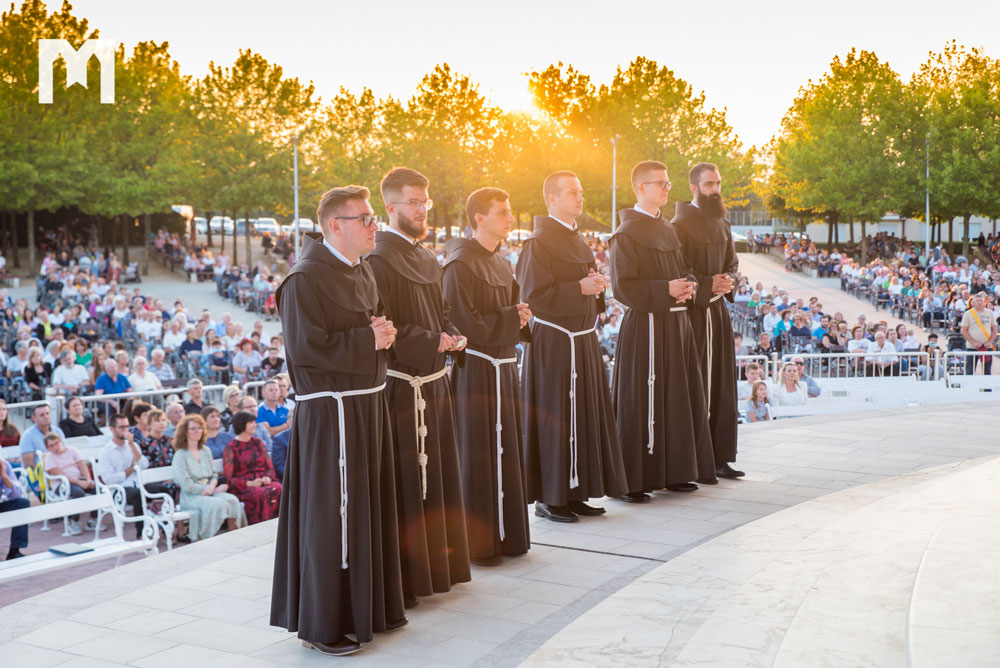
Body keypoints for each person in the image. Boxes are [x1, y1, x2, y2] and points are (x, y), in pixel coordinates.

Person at [270, 185, 407, 657]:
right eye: (366, 219)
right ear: (335, 225)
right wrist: (368, 340)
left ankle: (370, 607)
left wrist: (382, 336)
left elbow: (371, 329)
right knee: (334, 516)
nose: (376, 226)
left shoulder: (363, 271)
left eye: (373, 218)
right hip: (332, 415)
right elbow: (306, 349)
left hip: (366, 406)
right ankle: (324, 622)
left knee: (366, 509)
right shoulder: (303, 280)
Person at [368, 167, 471, 604]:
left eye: (425, 202)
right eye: (413, 203)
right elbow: (382, 324)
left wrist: (451, 335)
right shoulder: (376, 257)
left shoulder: (429, 257)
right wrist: (434, 341)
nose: (422, 209)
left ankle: (436, 571)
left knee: (439, 480)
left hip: (434, 383)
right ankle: (406, 582)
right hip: (400, 388)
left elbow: (442, 310)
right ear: (390, 208)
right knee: (406, 484)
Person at [516, 170, 627, 523]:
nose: (580, 198)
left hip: (582, 339)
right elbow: (533, 296)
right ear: (552, 198)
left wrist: (595, 287)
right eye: (572, 193)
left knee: (582, 415)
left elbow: (584, 289)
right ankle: (551, 497)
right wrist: (579, 288)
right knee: (556, 417)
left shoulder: (579, 241)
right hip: (554, 341)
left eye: (580, 192)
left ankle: (576, 492)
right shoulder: (537, 242)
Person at [609, 161, 717, 504]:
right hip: (647, 326)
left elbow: (682, 269)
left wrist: (689, 286)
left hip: (675, 323)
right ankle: (634, 480)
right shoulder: (625, 233)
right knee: (641, 401)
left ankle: (675, 472)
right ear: (640, 188)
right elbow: (622, 287)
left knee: (677, 395)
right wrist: (665, 290)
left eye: (669, 184)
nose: (668, 189)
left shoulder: (668, 229)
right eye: (660, 184)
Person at [442, 187, 532, 566]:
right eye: (502, 212)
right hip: (477, 371)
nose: (510, 219)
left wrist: (521, 317)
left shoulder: (500, 261)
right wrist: (514, 318)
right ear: (479, 218)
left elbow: (511, 310)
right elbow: (465, 326)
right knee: (478, 453)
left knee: (506, 451)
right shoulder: (459, 264)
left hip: (503, 368)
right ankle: (479, 543)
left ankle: (507, 536)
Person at [672, 162, 742, 479]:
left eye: (718, 183)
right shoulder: (679, 224)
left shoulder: (723, 223)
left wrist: (729, 281)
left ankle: (719, 456)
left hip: (718, 312)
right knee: (697, 384)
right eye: (710, 184)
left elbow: (732, 263)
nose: (716, 189)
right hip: (693, 314)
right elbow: (678, 267)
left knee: (722, 384)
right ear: (694, 187)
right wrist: (705, 284)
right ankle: (696, 460)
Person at [171, 414, 245, 541]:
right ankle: (206, 537)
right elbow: (186, 484)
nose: (197, 431)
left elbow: (213, 474)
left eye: (200, 428)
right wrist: (209, 490)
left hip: (209, 490)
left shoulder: (205, 450)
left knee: (232, 500)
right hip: (191, 495)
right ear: (185, 432)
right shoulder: (180, 455)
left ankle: (234, 536)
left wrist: (212, 486)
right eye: (193, 428)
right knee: (216, 504)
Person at [95, 414, 166, 536]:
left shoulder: (133, 445)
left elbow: (144, 464)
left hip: (137, 484)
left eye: (127, 427)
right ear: (112, 429)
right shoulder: (106, 452)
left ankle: (164, 528)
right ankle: (142, 534)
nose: (125, 430)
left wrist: (132, 444)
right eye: (121, 427)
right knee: (138, 495)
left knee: (163, 489)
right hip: (118, 490)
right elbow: (109, 479)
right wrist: (130, 470)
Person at [223, 411, 281, 525]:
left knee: (278, 488)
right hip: (244, 486)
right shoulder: (231, 447)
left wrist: (268, 478)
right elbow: (229, 478)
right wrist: (249, 483)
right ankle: (260, 526)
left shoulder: (258, 443)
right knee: (259, 494)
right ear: (241, 424)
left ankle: (279, 525)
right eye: (251, 422)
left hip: (263, 481)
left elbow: (269, 468)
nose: (255, 425)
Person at [42, 432, 96, 534]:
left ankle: (93, 519)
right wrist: (80, 483)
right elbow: (62, 476)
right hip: (61, 485)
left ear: (61, 442)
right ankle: (74, 521)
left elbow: (82, 465)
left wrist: (88, 480)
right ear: (47, 448)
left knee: (97, 489)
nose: (55, 447)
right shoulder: (49, 458)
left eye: (57, 443)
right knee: (78, 493)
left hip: (79, 480)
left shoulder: (72, 450)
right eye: (51, 446)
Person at [960, 292, 997, 375]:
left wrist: (990, 342)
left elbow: (994, 329)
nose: (980, 303)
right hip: (972, 347)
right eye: (977, 301)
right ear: (973, 302)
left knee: (987, 371)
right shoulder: (968, 314)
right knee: (969, 371)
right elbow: (964, 330)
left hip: (987, 346)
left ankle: (986, 388)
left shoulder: (990, 313)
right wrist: (973, 342)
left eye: (981, 301)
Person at [19, 404, 66, 469]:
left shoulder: (57, 431)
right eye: (42, 415)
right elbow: (29, 465)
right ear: (33, 418)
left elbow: (64, 452)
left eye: (47, 413)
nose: (46, 416)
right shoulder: (27, 436)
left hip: (62, 468)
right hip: (42, 473)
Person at [1, 458, 29, 559]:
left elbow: (16, 494)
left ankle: (15, 550)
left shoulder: (4, 465)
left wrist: (4, 477)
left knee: (22, 503)